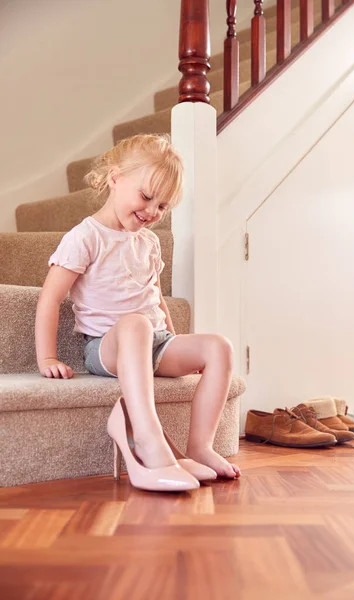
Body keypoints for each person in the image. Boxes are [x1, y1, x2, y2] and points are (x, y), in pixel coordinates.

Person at [35, 134, 241, 492]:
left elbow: (156, 297)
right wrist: (47, 356)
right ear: (115, 178)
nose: (151, 212)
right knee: (135, 325)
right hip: (108, 346)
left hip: (156, 342)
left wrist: (178, 341)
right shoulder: (86, 237)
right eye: (146, 197)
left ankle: (201, 447)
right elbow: (50, 298)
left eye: (162, 207)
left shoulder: (149, 242)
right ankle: (146, 435)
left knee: (219, 346)